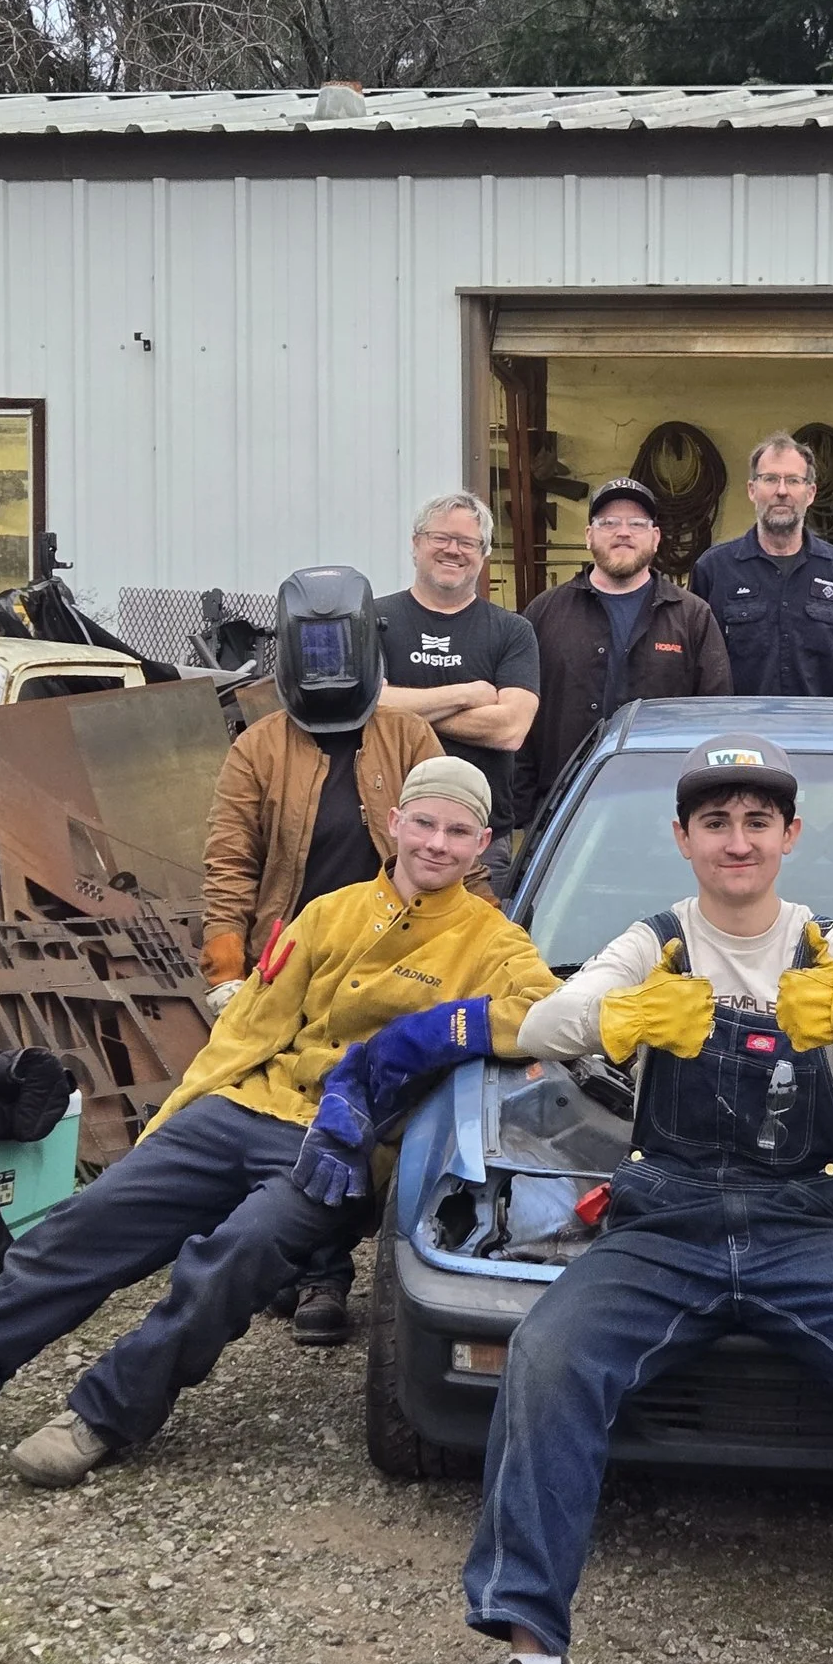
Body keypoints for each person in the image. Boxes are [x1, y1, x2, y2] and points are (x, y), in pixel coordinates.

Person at [0, 757, 559, 1489]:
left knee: (232, 1260)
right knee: (86, 1224)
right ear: (396, 822)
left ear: (482, 843)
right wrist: (181, 1115)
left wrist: (436, 1036)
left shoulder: (494, 943)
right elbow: (247, 1027)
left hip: (333, 1147)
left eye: (458, 830)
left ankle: (104, 1413)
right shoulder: (328, 914)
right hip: (243, 1105)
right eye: (425, 822)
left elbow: (547, 1013)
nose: (437, 842)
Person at [464, 733, 833, 1664]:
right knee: (547, 1352)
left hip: (804, 1224)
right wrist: (621, 1015)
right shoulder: (652, 942)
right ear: (683, 837)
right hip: (663, 1225)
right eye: (716, 822)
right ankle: (531, 1643)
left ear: (791, 834)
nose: (736, 841)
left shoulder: (832, 940)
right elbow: (542, 1024)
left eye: (757, 822)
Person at [199, 564, 483, 1344]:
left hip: (397, 958)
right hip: (294, 960)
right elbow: (229, 865)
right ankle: (315, 1270)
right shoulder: (257, 749)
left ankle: (353, 1258)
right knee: (295, 1109)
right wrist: (226, 972)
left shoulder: (407, 734)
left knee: (368, 1107)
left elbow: (456, 836)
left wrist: (482, 943)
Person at [513, 476, 734, 827]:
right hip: (561, 813)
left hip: (663, 809)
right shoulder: (544, 613)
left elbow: (714, 722)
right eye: (609, 523)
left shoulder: (692, 617)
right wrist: (522, 818)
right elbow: (520, 722)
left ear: (655, 537)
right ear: (589, 535)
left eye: (636, 524)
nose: (623, 532)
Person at [375, 490, 541, 884]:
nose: (454, 550)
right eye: (441, 538)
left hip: (481, 839)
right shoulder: (375, 620)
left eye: (468, 543)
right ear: (416, 544)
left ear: (483, 555)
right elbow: (364, 704)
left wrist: (399, 708)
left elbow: (510, 729)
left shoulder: (512, 632)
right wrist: (468, 694)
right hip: (383, 832)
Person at [690, 433, 833, 698]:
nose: (782, 491)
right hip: (739, 735)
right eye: (770, 479)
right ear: (752, 490)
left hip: (820, 736)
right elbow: (694, 675)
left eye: (793, 480)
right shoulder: (713, 570)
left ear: (810, 493)